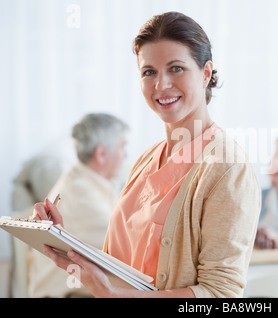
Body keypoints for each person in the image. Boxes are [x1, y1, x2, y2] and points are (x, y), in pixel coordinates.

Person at [31, 11, 261, 298]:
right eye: (149, 71)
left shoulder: (228, 168)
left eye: (176, 68)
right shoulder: (146, 159)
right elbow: (124, 265)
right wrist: (63, 240)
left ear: (205, 73)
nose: (161, 85)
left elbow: (220, 294)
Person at [27, 113, 129, 298]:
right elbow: (121, 248)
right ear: (102, 153)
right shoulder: (80, 192)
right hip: (66, 294)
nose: (126, 155)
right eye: (123, 146)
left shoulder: (86, 180)